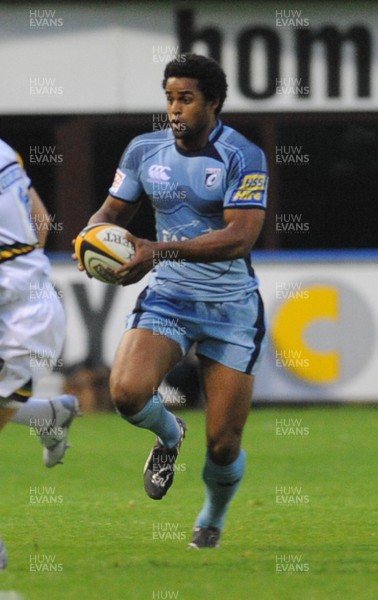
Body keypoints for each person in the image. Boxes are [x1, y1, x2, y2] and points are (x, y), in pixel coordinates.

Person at [78, 53, 268, 548]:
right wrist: (91, 241)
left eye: (186, 99)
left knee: (223, 446)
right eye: (169, 99)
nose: (175, 110)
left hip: (231, 309)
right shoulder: (144, 151)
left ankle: (212, 518)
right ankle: (169, 435)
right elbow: (110, 212)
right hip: (170, 295)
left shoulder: (242, 156)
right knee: (126, 394)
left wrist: (154, 249)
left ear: (214, 103)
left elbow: (239, 238)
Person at [0, 139, 80, 569]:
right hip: (29, 302)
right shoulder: (4, 151)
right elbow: (41, 219)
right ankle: (50, 414)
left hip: (21, 320)